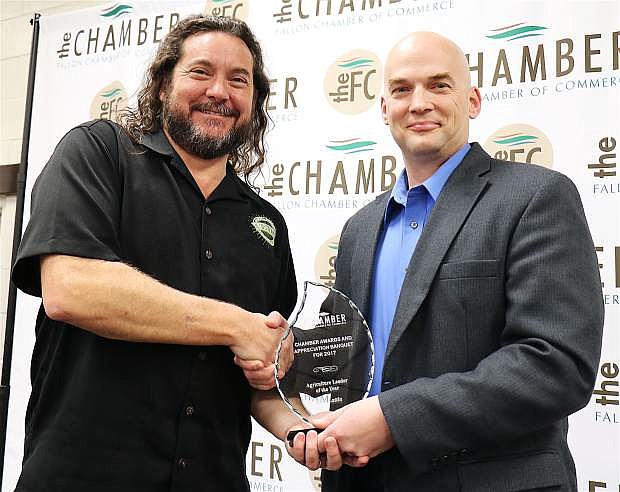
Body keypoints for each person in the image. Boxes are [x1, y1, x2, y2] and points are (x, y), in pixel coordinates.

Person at [286, 31, 604, 492]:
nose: (419, 103)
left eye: (439, 85)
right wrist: (291, 369)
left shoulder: (535, 197)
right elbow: (350, 366)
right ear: (383, 109)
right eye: (401, 89)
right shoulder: (359, 229)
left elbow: (556, 364)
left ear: (472, 101)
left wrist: (393, 419)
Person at [11, 15, 297, 492]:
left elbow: (259, 375)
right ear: (164, 84)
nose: (220, 92)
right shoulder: (98, 153)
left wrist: (298, 424)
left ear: (255, 102)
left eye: (239, 80)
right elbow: (70, 289)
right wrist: (235, 324)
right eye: (200, 72)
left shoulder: (264, 225)